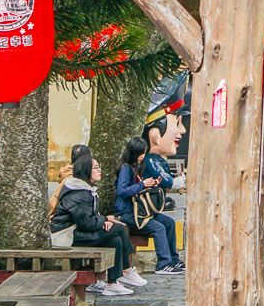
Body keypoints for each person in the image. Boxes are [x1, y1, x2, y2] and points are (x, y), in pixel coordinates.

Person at [51, 147, 141, 296]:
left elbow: (90, 218)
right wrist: (104, 220)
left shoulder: (86, 190)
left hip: (77, 231)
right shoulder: (78, 192)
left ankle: (112, 282)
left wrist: (103, 220)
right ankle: (127, 270)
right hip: (66, 236)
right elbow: (85, 223)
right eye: (95, 168)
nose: (100, 170)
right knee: (118, 229)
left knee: (115, 240)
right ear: (86, 170)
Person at [113, 122, 185, 274]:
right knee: (158, 228)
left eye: (144, 154)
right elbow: (122, 191)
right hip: (127, 213)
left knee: (169, 223)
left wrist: (152, 185)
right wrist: (141, 185)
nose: (142, 157)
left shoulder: (137, 168)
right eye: (140, 154)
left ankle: (173, 259)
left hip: (140, 210)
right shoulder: (126, 168)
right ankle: (163, 264)